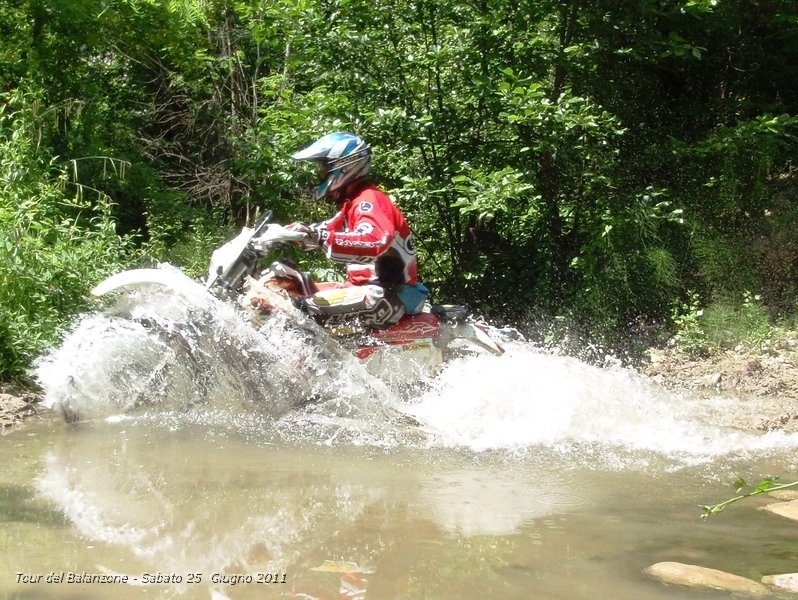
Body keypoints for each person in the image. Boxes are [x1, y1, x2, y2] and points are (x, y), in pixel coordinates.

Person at [285, 132, 428, 328]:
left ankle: (305, 359)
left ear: (343, 166)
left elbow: (374, 240)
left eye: (323, 169)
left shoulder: (369, 200)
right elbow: (326, 229)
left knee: (291, 310)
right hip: (372, 291)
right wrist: (295, 232)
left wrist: (320, 236)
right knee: (291, 288)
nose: (320, 175)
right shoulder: (352, 204)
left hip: (390, 294)